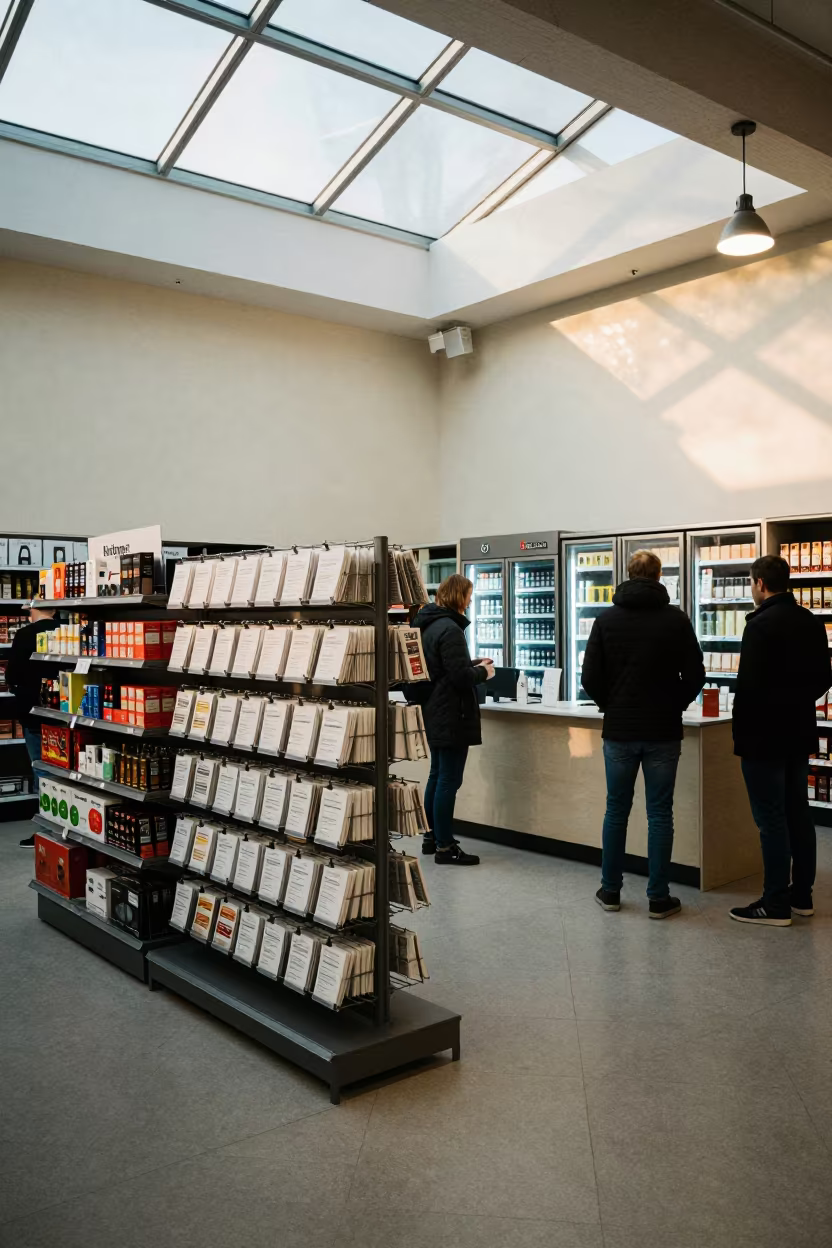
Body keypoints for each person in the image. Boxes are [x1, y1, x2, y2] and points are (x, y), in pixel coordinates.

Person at [581, 550, 706, 917]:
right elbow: (696, 674)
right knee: (660, 813)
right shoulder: (676, 620)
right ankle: (658, 896)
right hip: (663, 731)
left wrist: (612, 704)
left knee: (616, 810)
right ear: (659, 575)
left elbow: (589, 678)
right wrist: (675, 703)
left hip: (619, 730)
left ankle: (611, 891)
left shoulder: (606, 619)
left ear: (628, 574)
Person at [730, 554, 831, 926]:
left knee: (770, 819)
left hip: (763, 738)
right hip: (798, 732)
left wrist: (741, 732)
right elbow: (824, 677)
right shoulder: (810, 621)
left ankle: (774, 904)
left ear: (759, 583)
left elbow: (749, 688)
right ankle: (801, 896)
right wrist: (796, 701)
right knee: (798, 814)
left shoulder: (759, 626)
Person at [413, 574, 495, 865]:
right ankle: (446, 847)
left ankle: (431, 837)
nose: (471, 601)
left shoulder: (429, 625)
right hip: (452, 713)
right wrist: (484, 672)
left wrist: (470, 663)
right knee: (449, 780)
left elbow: (443, 668)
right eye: (469, 596)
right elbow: (460, 678)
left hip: (434, 709)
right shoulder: (450, 629)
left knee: (436, 776)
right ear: (460, 597)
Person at [6, 602, 58, 846]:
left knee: (41, 768)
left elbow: (12, 675)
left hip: (34, 712)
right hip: (65, 712)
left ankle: (47, 832)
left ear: (31, 611)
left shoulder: (25, 634)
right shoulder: (67, 630)